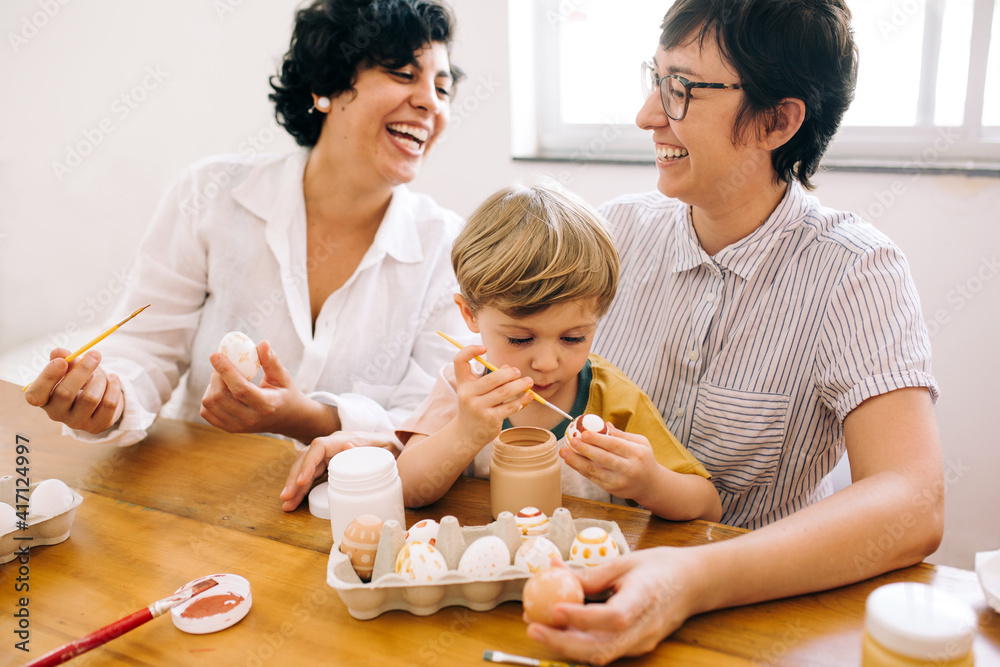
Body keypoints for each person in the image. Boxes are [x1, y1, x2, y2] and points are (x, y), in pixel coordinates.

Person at [525, 1, 944, 663]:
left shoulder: (856, 272)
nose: (647, 115)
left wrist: (689, 580)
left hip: (758, 628)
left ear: (779, 120)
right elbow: (504, 355)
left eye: (682, 90)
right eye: (655, 79)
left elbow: (912, 502)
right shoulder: (615, 234)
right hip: (582, 589)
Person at [23, 0, 468, 450]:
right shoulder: (210, 193)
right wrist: (108, 401)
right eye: (404, 74)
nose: (431, 101)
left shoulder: (449, 247)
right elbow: (147, 347)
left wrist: (309, 419)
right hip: (200, 484)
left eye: (443, 88)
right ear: (325, 86)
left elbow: (430, 418)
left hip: (355, 508)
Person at [283, 179, 722, 520]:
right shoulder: (462, 387)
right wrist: (466, 432)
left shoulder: (611, 397)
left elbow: (707, 507)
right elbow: (410, 490)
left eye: (573, 338)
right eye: (520, 338)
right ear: (469, 315)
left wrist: (649, 483)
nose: (548, 362)